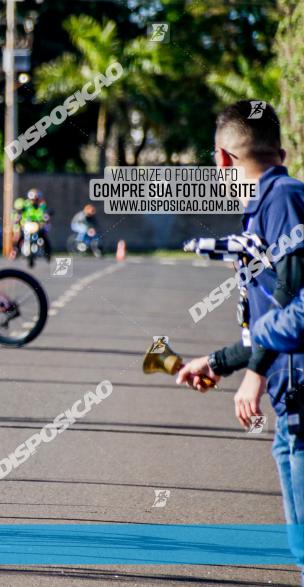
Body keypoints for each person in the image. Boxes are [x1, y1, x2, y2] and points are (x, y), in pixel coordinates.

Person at [175, 100, 304, 578]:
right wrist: (220, 360)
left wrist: (252, 373)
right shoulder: (276, 199)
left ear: (222, 158)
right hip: (289, 389)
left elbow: (296, 301)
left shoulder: (281, 200)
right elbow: (278, 308)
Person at [16, 188, 52, 260]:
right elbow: (20, 212)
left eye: (36, 199)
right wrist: (18, 218)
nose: (34, 201)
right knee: (20, 237)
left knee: (44, 237)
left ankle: (48, 254)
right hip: (27, 225)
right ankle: (15, 251)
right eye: (32, 199)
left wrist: (46, 217)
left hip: (38, 225)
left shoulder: (42, 205)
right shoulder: (25, 205)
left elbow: (45, 213)